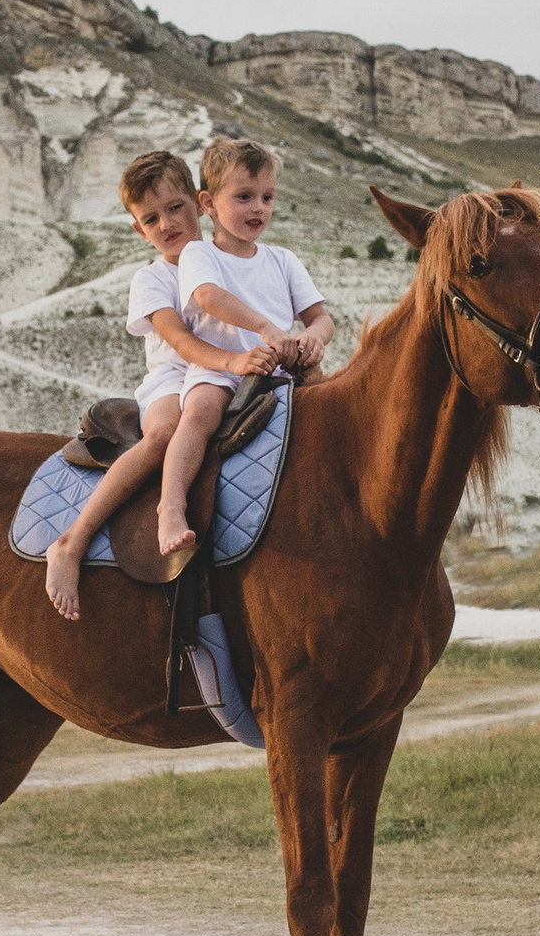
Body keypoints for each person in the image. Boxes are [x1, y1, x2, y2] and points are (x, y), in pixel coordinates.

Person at [45, 150, 277, 619]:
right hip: (175, 378)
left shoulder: (222, 258)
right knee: (164, 435)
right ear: (138, 229)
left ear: (200, 203)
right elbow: (180, 340)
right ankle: (73, 540)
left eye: (175, 208)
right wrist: (233, 360)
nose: (168, 223)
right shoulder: (150, 279)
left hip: (233, 372)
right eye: (151, 218)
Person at [161, 137, 333, 556]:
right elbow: (207, 297)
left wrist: (312, 339)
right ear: (208, 203)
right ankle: (171, 507)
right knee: (200, 413)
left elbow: (321, 317)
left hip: (280, 371)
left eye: (267, 197)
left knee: (336, 416)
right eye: (243, 197)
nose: (258, 208)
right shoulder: (200, 254)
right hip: (222, 370)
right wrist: (267, 328)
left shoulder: (283, 260)